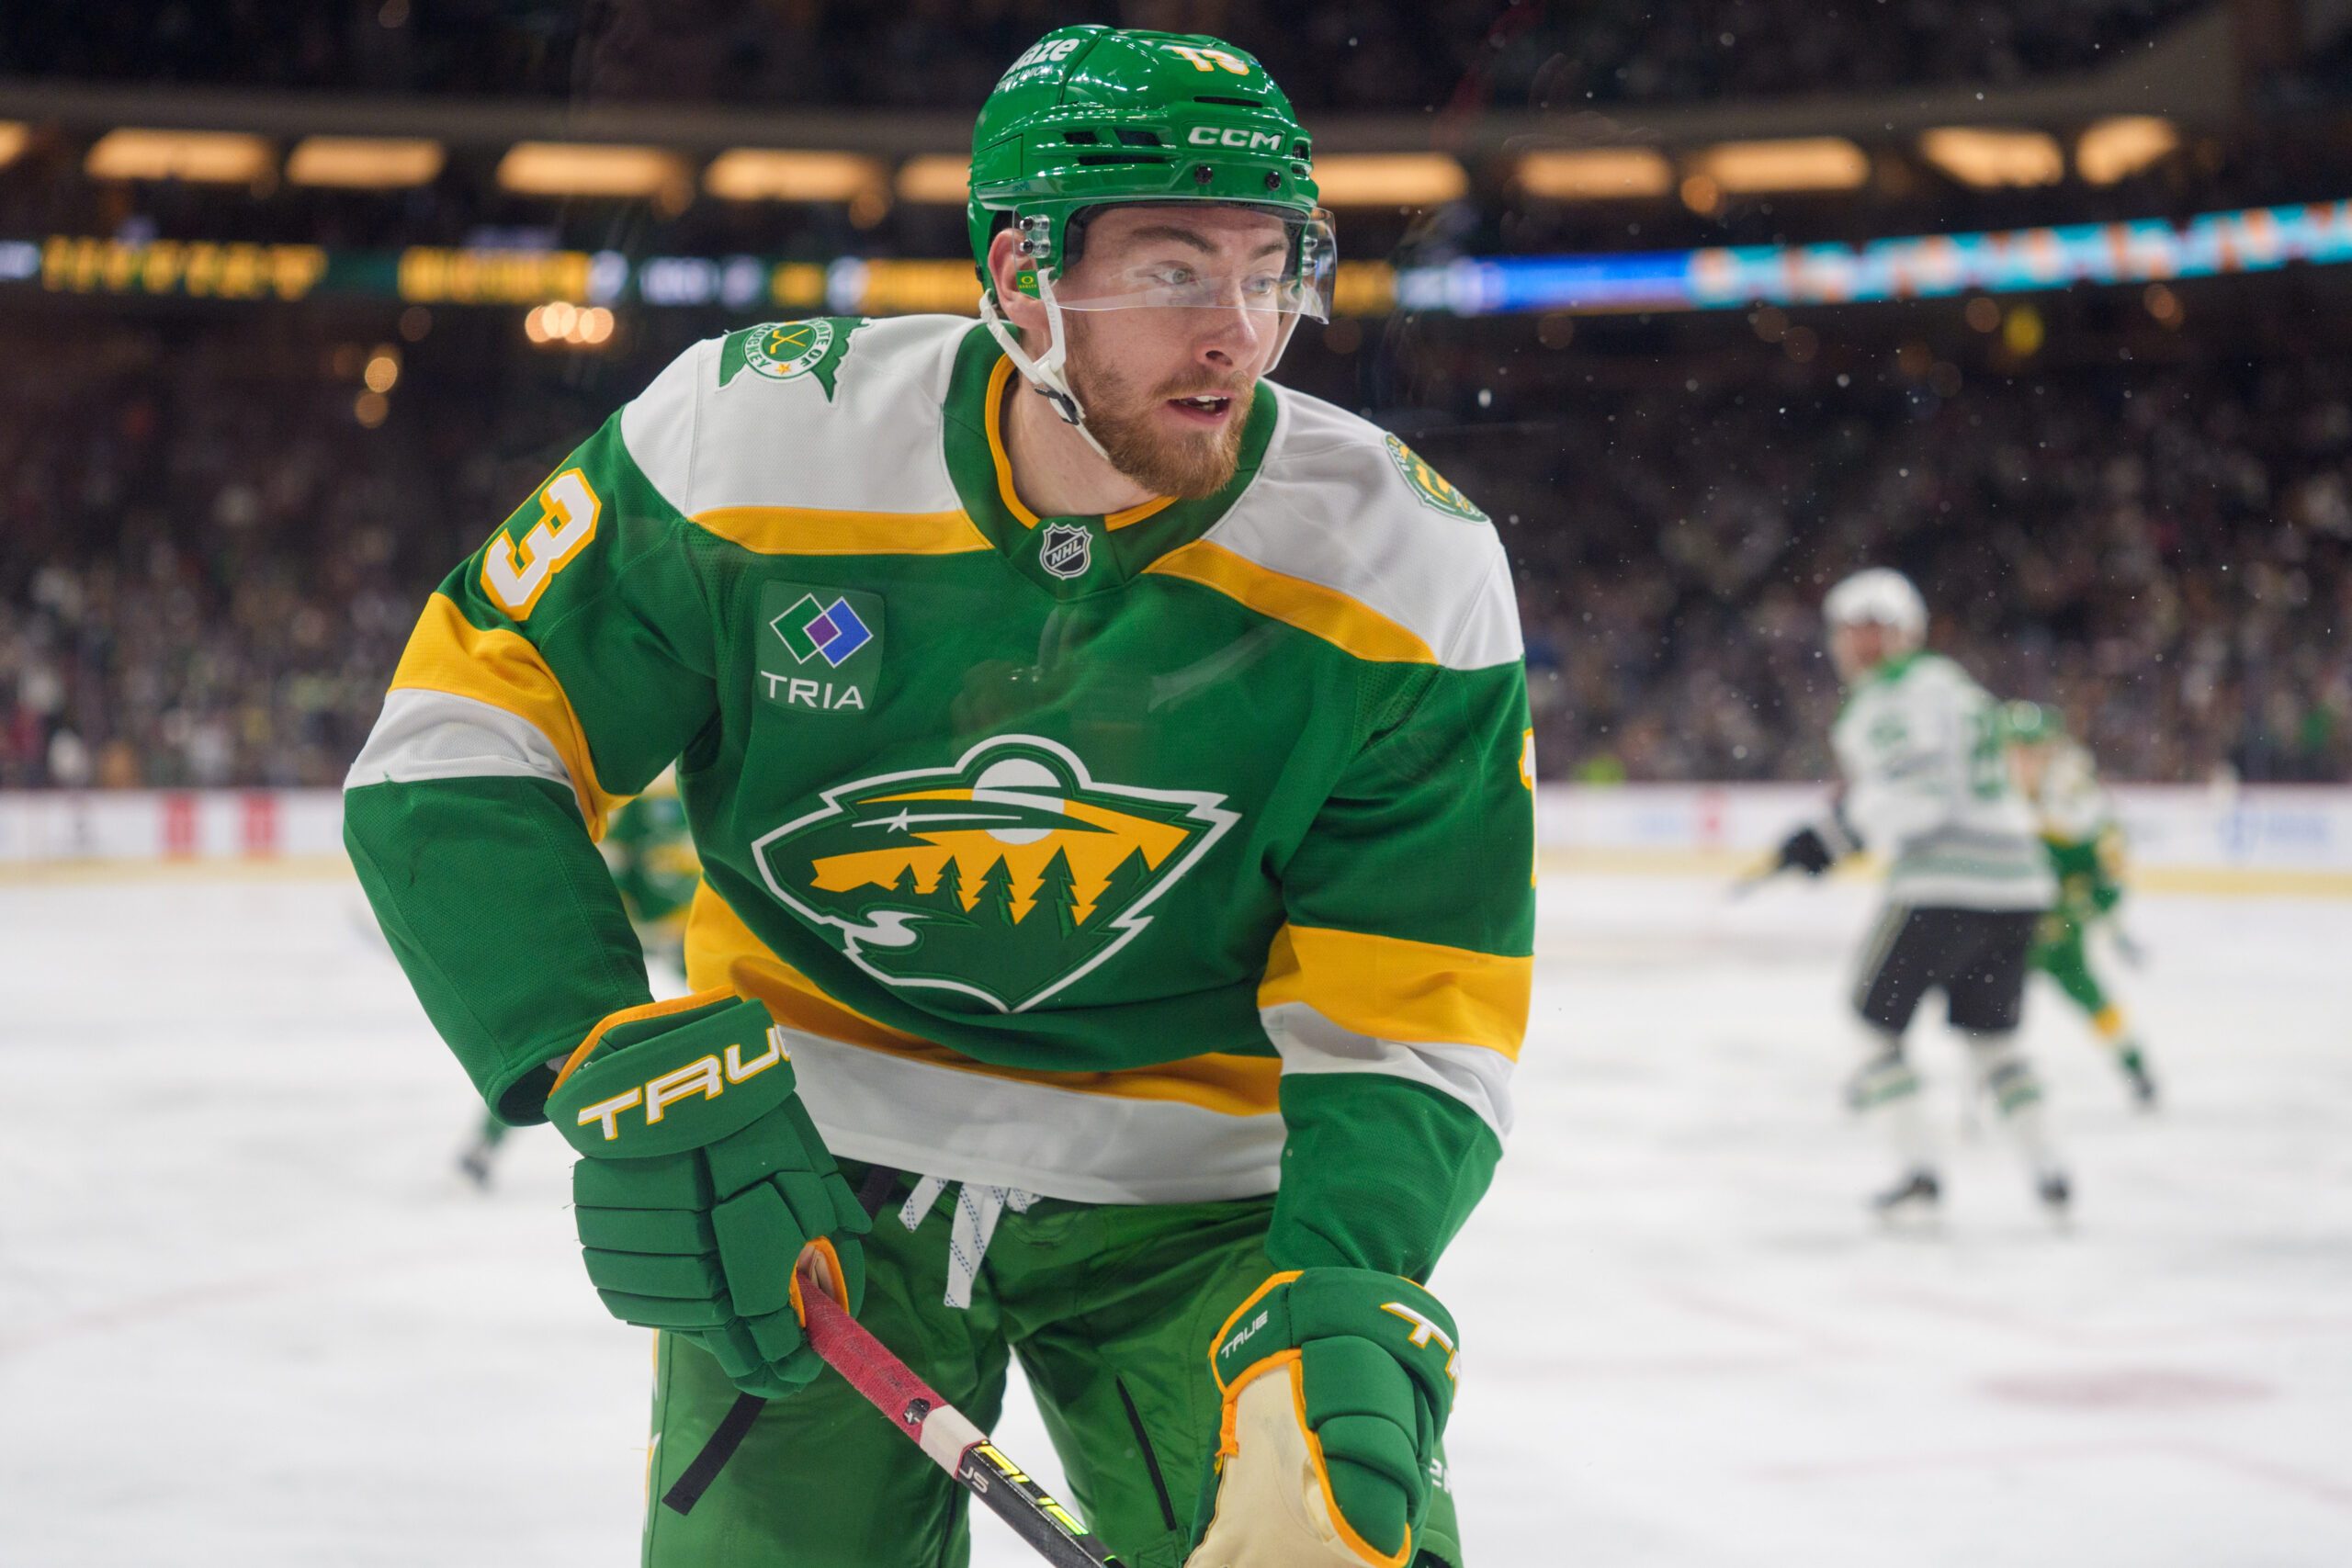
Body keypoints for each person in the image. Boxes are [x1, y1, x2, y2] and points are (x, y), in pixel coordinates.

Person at [345, 24, 1532, 1568]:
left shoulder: (1410, 565)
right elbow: (454, 737)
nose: (1240, 331)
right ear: (1022, 275)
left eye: (1271, 268)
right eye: (1174, 271)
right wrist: (602, 1046)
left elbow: (1412, 999)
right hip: (803, 1164)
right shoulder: (747, 435)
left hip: (1207, 1220)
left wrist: (1345, 1288)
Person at [1770, 568, 2068, 1216]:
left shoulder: (1887, 699)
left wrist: (1834, 836)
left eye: (1873, 630)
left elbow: (1918, 799)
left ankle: (1920, 1176)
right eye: (1856, 629)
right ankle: (2051, 1174)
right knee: (1994, 1041)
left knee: (1873, 1031)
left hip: (1944, 883)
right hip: (2019, 881)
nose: (1862, 644)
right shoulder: (1956, 687)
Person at [455, 769, 702, 1188]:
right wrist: (629, 927)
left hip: (689, 941)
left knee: (747, 1019)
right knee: (567, 1042)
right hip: (644, 938)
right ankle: (487, 1142)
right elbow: (617, 868)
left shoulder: (705, 793)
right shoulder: (644, 806)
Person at [2004, 701, 2159, 1107]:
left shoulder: (2077, 802)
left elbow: (2109, 871)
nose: (2021, 761)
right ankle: (1885, 1067)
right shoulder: (1993, 794)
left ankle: (2136, 1067)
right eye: (2014, 751)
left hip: (2057, 936)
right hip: (2004, 933)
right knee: (1971, 1005)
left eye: (2030, 751)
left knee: (2094, 1000)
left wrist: (2084, 907)